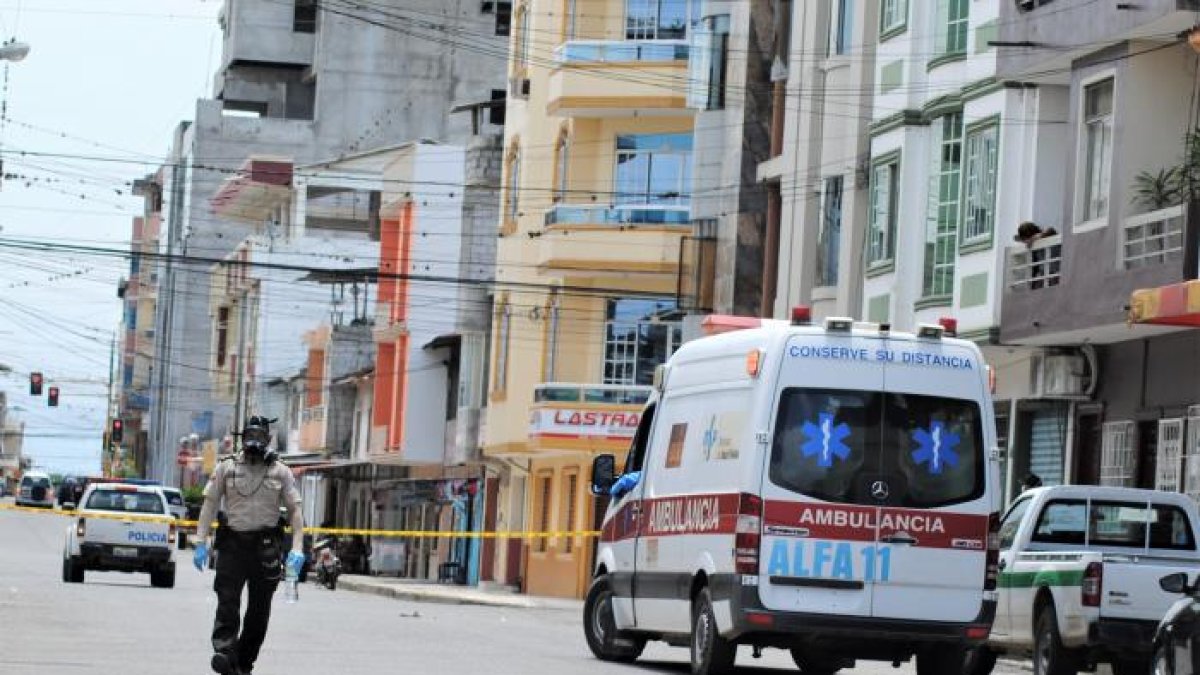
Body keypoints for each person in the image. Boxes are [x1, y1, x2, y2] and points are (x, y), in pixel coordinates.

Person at [193, 416, 305, 675]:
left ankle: (244, 663)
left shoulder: (281, 471)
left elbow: (295, 510)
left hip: (265, 549)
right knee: (227, 602)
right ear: (241, 438)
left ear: (268, 439)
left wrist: (297, 548)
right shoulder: (226, 467)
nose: (254, 441)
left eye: (260, 436)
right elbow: (209, 504)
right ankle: (225, 653)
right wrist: (200, 542)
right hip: (233, 545)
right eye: (249, 436)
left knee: (258, 611)